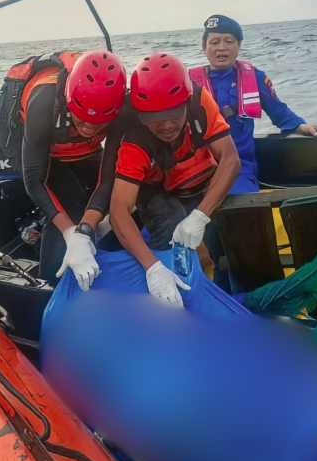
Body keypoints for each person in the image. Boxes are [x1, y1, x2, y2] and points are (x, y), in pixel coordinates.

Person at [108, 52, 240, 307]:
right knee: (171, 221)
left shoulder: (200, 102)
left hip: (199, 179)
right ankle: (166, 291)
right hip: (157, 190)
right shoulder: (135, 140)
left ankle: (221, 288)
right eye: (153, 119)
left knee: (227, 232)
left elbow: (231, 159)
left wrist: (201, 215)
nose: (166, 125)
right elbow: (118, 211)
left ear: (186, 104)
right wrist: (152, 268)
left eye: (173, 114)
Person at [17, 50, 128, 289]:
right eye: (83, 118)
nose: (89, 126)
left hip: (80, 148)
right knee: (73, 203)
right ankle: (49, 284)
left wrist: (85, 229)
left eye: (99, 121)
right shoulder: (45, 102)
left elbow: (109, 175)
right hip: (37, 146)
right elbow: (34, 180)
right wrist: (71, 233)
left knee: (117, 197)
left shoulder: (121, 108)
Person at [190, 14, 317, 194]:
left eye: (229, 41)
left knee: (238, 204)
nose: (222, 48)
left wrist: (300, 126)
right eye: (215, 42)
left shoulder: (254, 77)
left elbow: (279, 112)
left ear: (239, 46)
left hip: (239, 168)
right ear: (204, 47)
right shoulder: (189, 82)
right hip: (196, 168)